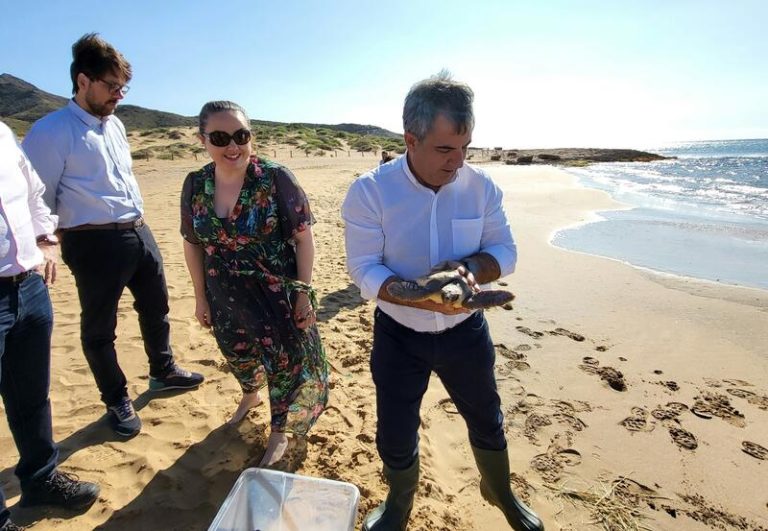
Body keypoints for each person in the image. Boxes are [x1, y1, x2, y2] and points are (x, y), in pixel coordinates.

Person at [342, 72, 544, 531]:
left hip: (465, 334)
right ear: (410, 139)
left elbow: (505, 251)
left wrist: (467, 273)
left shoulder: (482, 188)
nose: (458, 162)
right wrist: (418, 294)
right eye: (445, 149)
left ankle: (499, 490)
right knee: (395, 428)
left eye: (466, 147)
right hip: (398, 335)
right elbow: (364, 268)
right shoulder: (370, 191)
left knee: (487, 416)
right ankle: (399, 502)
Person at [21, 33, 203, 439]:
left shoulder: (116, 125)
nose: (119, 95)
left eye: (124, 87)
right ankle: (115, 398)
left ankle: (163, 370)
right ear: (83, 81)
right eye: (112, 86)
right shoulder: (50, 132)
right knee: (100, 329)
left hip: (138, 231)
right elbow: (37, 199)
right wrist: (47, 243)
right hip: (92, 242)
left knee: (157, 307)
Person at [180, 101, 328, 466]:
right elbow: (192, 242)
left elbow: (304, 239)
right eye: (220, 137)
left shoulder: (275, 178)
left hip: (275, 292)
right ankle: (250, 394)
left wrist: (303, 294)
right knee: (239, 354)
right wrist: (201, 297)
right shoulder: (195, 184)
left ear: (251, 137)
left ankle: (279, 430)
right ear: (203, 140)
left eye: (241, 136)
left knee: (285, 363)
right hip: (223, 292)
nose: (232, 146)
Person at [0, 120, 100, 531]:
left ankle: (40, 479)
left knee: (31, 395)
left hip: (28, 286)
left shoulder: (3, 133)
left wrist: (45, 239)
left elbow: (34, 192)